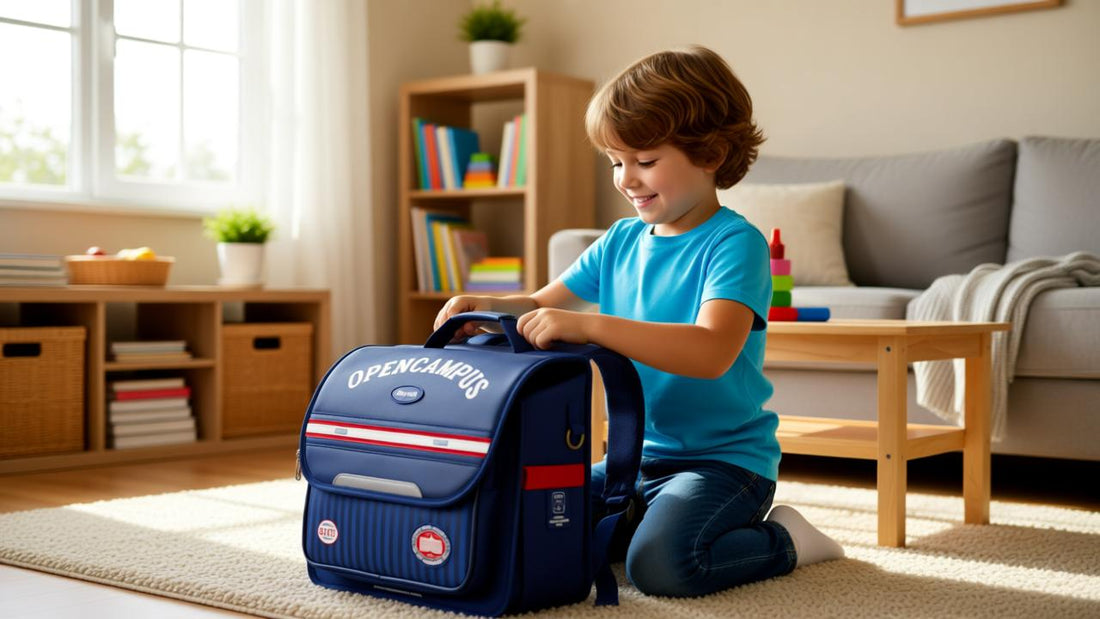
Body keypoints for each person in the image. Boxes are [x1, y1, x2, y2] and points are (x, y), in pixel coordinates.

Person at [433, 45, 843, 597]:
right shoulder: (620, 240)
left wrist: (592, 326)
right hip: (634, 457)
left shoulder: (734, 244)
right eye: (615, 162)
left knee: (664, 569)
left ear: (712, 153)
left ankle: (788, 539)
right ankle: (636, 525)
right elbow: (539, 304)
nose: (626, 179)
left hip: (723, 465)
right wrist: (482, 309)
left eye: (645, 161)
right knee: (534, 525)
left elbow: (709, 350)